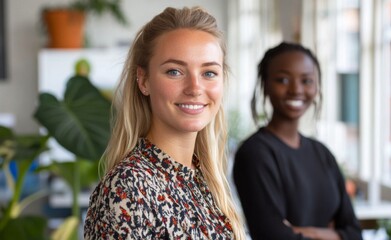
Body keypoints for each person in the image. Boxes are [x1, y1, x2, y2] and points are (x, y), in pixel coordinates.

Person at [84, 6, 245, 239]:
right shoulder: (129, 186)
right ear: (144, 80)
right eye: (175, 71)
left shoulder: (205, 178)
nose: (195, 88)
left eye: (209, 73)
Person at [232, 42, 362, 240]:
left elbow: (354, 233)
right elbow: (273, 236)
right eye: (283, 80)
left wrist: (305, 232)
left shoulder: (322, 154)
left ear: (316, 87)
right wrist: (333, 234)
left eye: (306, 81)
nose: (296, 89)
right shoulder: (254, 153)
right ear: (265, 85)